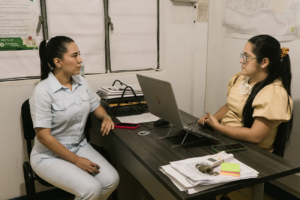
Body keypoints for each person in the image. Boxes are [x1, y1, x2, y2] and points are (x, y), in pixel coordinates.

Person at [29, 36, 119, 200]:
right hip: (48, 156)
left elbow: (95, 105)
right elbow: (43, 136)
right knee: (91, 189)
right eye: (74, 56)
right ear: (58, 62)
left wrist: (105, 116)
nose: (80, 60)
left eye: (79, 55)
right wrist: (77, 160)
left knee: (111, 181)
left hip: (79, 146)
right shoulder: (43, 91)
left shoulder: (80, 82)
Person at [198, 35, 293, 154]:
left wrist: (218, 127)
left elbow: (255, 136)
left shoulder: (274, 93)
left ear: (264, 62)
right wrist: (212, 120)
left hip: (251, 152)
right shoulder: (242, 78)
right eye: (242, 55)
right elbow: (230, 106)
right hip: (227, 141)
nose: (241, 60)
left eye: (247, 57)